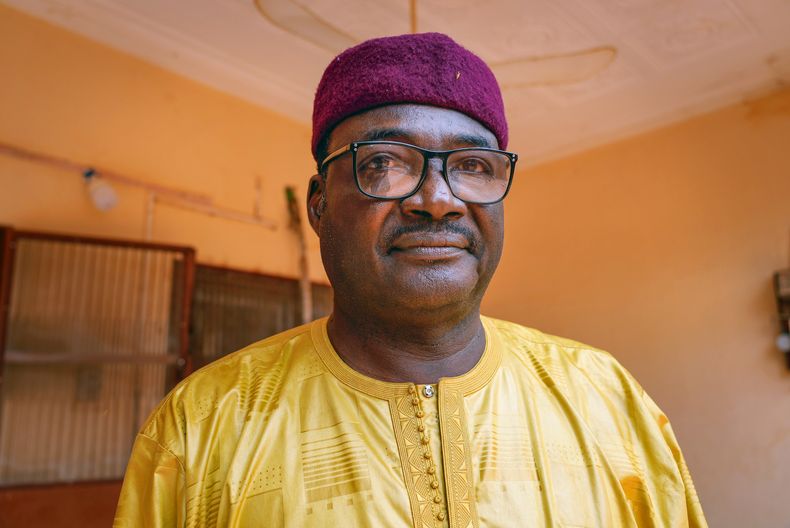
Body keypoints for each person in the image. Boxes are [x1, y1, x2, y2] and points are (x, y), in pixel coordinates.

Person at [114, 33, 707, 527]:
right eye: (384, 163)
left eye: (472, 166)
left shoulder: (607, 399)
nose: (438, 200)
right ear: (319, 205)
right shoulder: (201, 427)